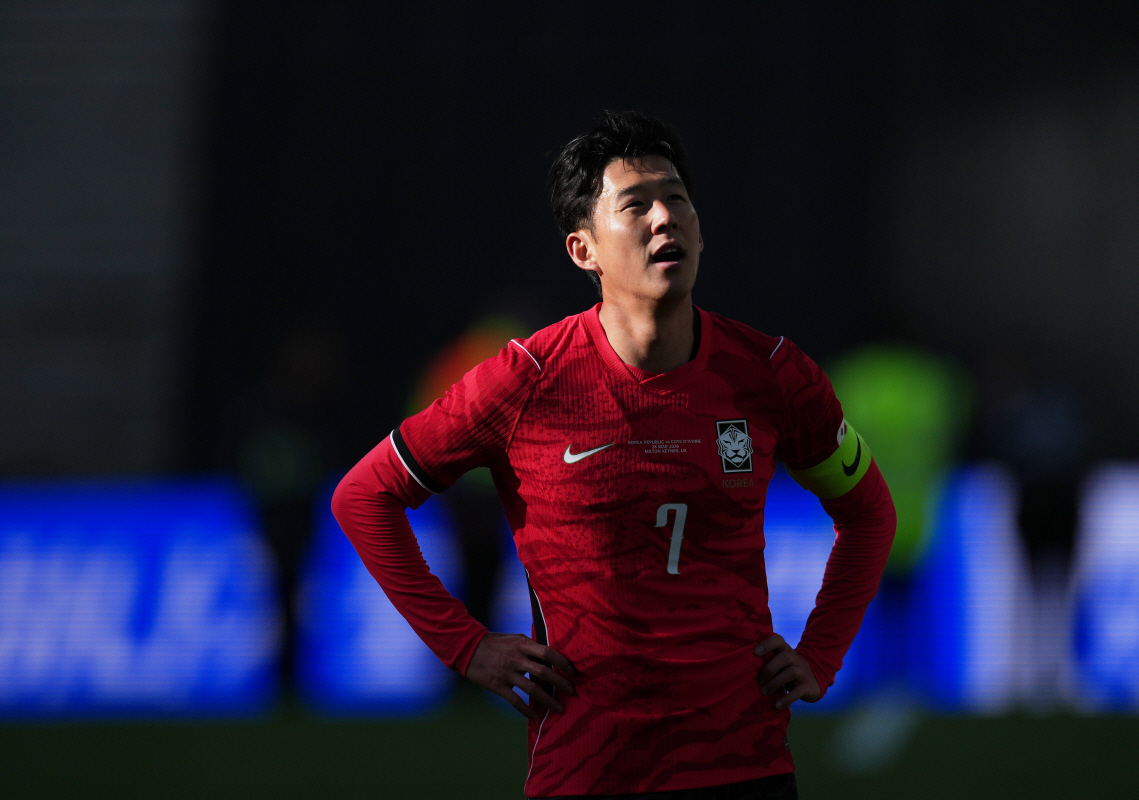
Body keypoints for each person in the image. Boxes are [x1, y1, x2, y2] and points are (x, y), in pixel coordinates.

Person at [331, 111, 896, 799]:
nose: (665, 217)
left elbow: (868, 511)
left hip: (743, 763)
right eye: (636, 205)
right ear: (583, 250)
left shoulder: (773, 374)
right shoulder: (525, 380)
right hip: (588, 768)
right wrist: (467, 645)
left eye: (678, 197)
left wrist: (821, 654)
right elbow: (363, 496)